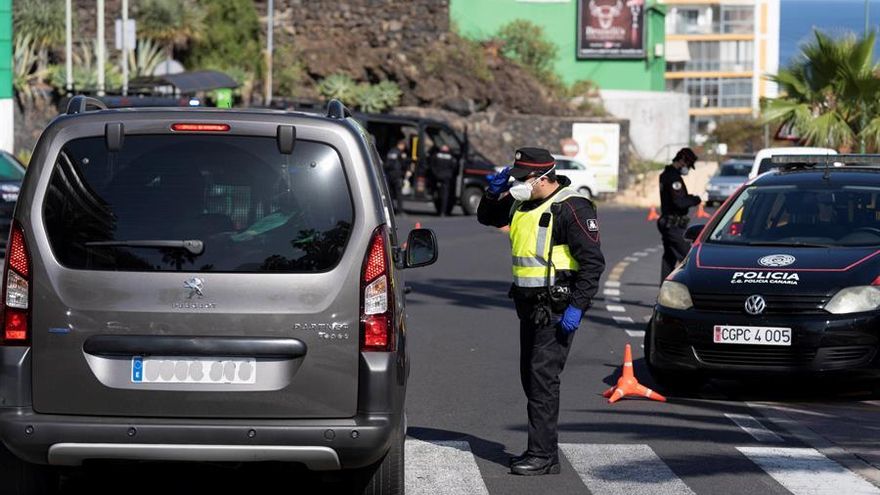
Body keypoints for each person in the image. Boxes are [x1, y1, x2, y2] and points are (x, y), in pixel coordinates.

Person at [477, 147, 605, 476]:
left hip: (558, 309)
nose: (516, 183)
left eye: (523, 177)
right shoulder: (521, 202)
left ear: (543, 178)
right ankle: (545, 452)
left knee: (542, 380)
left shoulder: (571, 207)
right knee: (531, 378)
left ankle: (542, 455)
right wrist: (492, 195)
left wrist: (577, 307)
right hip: (529, 306)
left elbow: (593, 264)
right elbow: (488, 217)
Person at [658, 147, 701, 282]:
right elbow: (679, 202)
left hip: (668, 222)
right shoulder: (673, 178)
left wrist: (688, 197)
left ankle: (663, 292)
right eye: (688, 165)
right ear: (682, 160)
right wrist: (695, 199)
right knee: (687, 259)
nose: (687, 168)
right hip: (674, 225)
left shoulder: (666, 174)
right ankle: (692, 291)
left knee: (669, 259)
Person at [429, 144, 458, 216]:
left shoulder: (436, 155)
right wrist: (449, 175)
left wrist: (436, 174)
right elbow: (454, 167)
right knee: (445, 195)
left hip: (437, 177)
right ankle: (443, 212)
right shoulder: (451, 157)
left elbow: (432, 166)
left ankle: (438, 210)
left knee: (437, 194)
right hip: (446, 178)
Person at [384, 139, 408, 213]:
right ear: (402, 145)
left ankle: (391, 210)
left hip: (389, 175)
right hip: (397, 175)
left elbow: (387, 164)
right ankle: (400, 210)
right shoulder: (401, 153)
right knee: (398, 194)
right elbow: (403, 165)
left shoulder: (391, 151)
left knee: (390, 194)